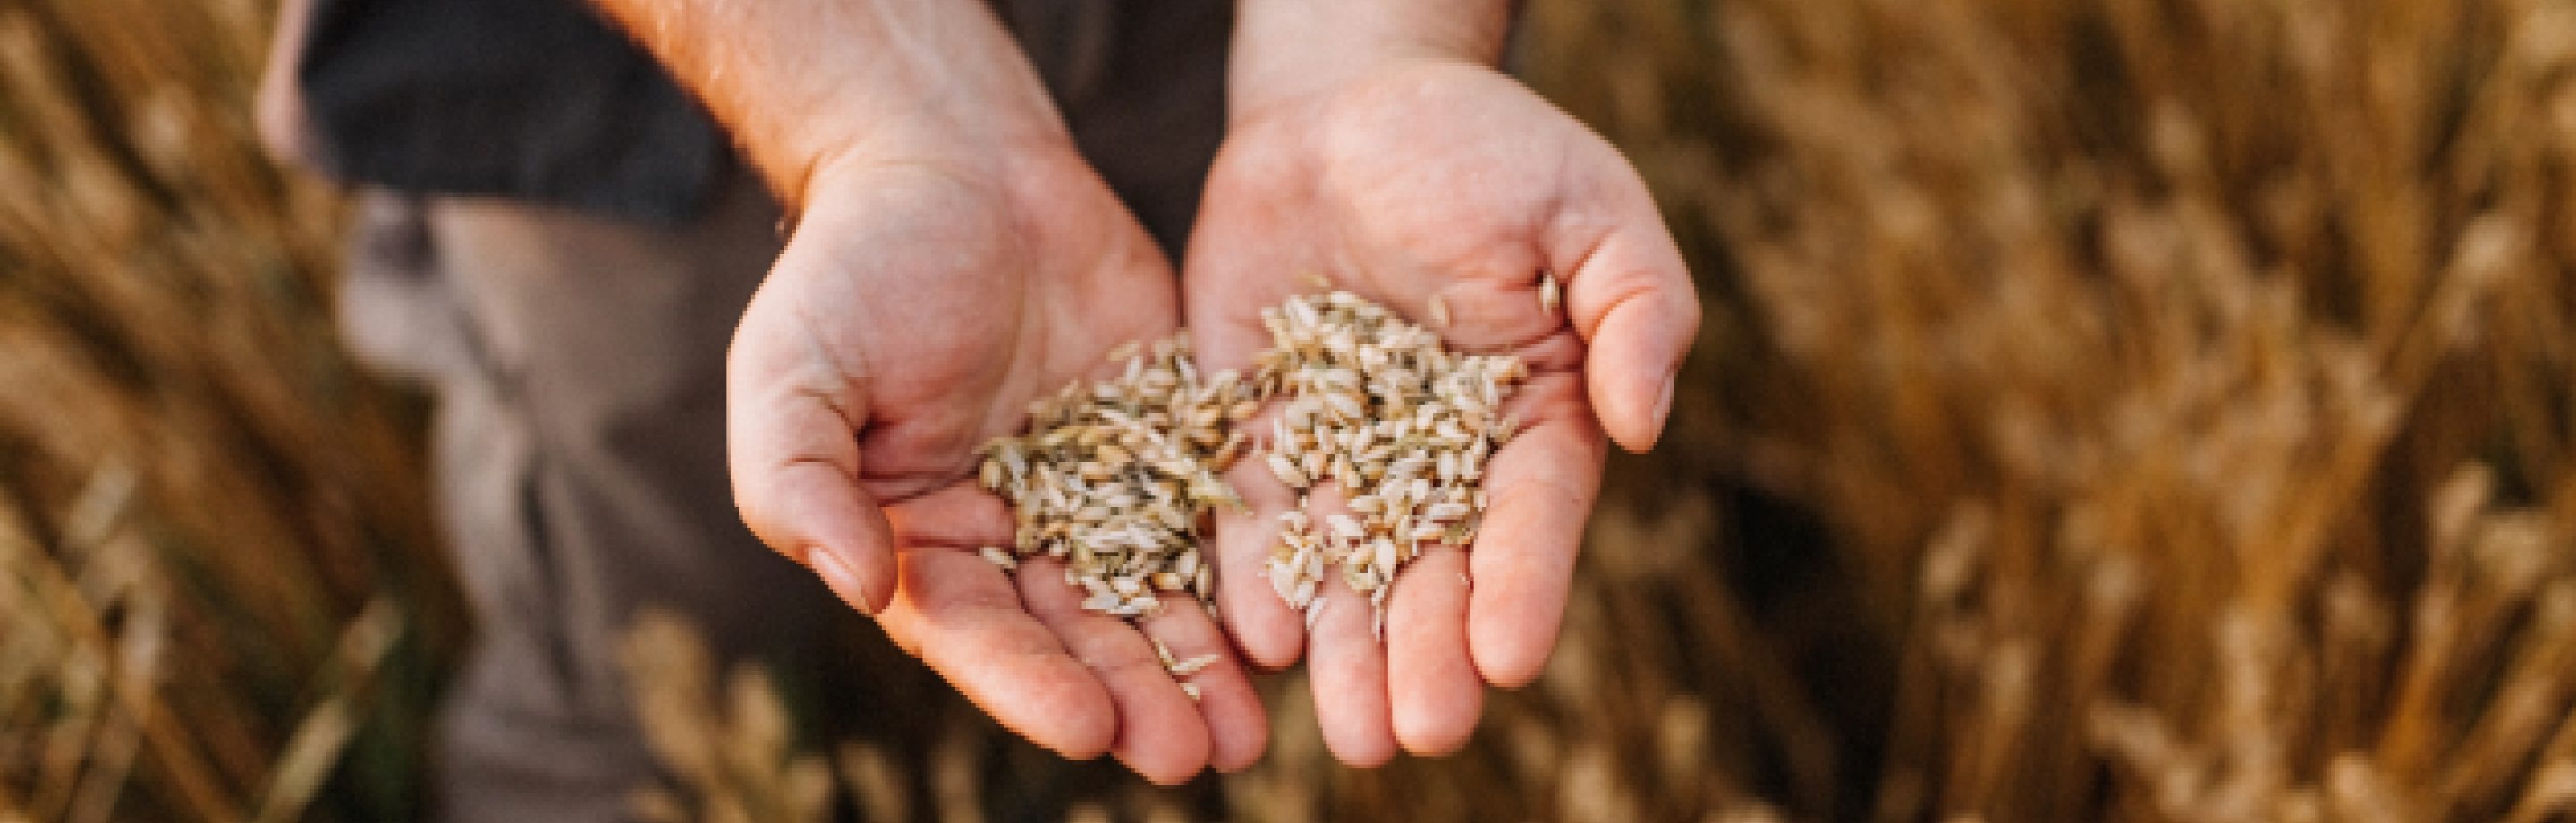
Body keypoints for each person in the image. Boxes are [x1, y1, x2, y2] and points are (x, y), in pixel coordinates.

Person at [261, 0, 1698, 816]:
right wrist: (869, 108)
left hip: (1231, 29)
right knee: (636, 651)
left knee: (1177, 657)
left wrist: (1376, 50)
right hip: (654, 77)